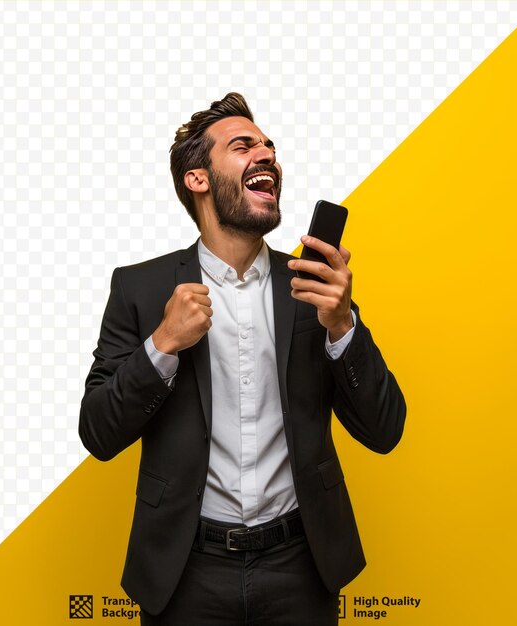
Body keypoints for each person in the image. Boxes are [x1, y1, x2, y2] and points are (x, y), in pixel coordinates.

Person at [79, 93, 406, 625]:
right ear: (198, 179)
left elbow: (385, 430)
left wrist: (343, 325)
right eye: (243, 145)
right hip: (185, 572)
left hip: (302, 567)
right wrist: (161, 344)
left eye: (270, 146)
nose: (267, 154)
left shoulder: (314, 288)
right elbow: (97, 433)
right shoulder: (139, 289)